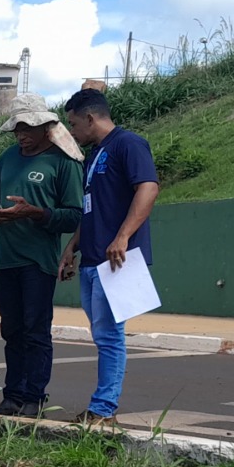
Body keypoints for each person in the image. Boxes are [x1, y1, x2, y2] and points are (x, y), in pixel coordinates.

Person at [57, 88, 159, 427]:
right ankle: (102, 405)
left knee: (111, 335)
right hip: (91, 260)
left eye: (73, 124)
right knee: (101, 334)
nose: (72, 132)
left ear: (90, 117)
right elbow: (92, 208)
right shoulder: (94, 155)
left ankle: (104, 409)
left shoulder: (128, 144)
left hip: (118, 259)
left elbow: (148, 188)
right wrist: (73, 246)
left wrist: (123, 236)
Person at [0, 94, 84, 418]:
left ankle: (34, 397)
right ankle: (12, 395)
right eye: (16, 129)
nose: (21, 135)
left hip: (38, 260)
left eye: (27, 128)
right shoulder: (6, 158)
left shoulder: (63, 162)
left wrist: (35, 213)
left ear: (44, 127)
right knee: (10, 329)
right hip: (6, 258)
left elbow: (74, 216)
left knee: (35, 330)